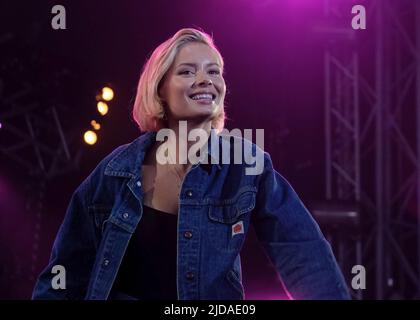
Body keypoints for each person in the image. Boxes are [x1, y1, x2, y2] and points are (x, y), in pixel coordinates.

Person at [32, 28, 350, 300]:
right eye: (187, 71)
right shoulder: (115, 171)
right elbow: (65, 272)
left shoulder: (247, 165)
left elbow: (304, 253)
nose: (205, 80)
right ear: (160, 90)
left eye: (214, 71)